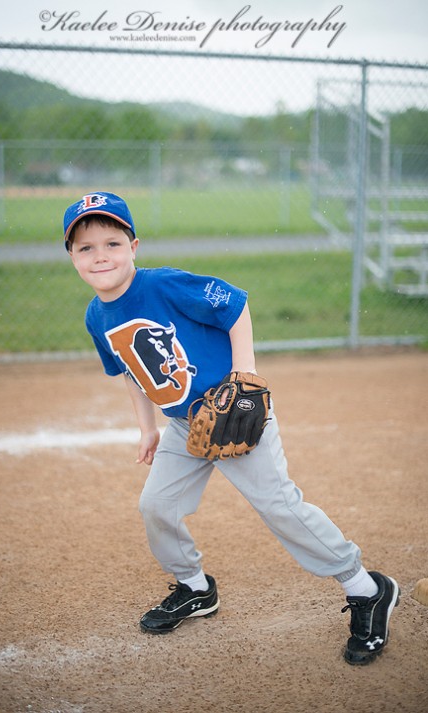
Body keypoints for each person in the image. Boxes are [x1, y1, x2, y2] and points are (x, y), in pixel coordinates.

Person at [63, 191, 400, 665]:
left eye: (112, 243)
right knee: (156, 506)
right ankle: (195, 587)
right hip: (184, 426)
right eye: (86, 247)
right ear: (72, 257)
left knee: (279, 506)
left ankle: (366, 588)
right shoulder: (96, 316)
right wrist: (147, 429)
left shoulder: (165, 285)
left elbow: (235, 306)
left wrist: (245, 378)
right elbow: (129, 372)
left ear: (134, 247)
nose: (101, 256)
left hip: (235, 411)